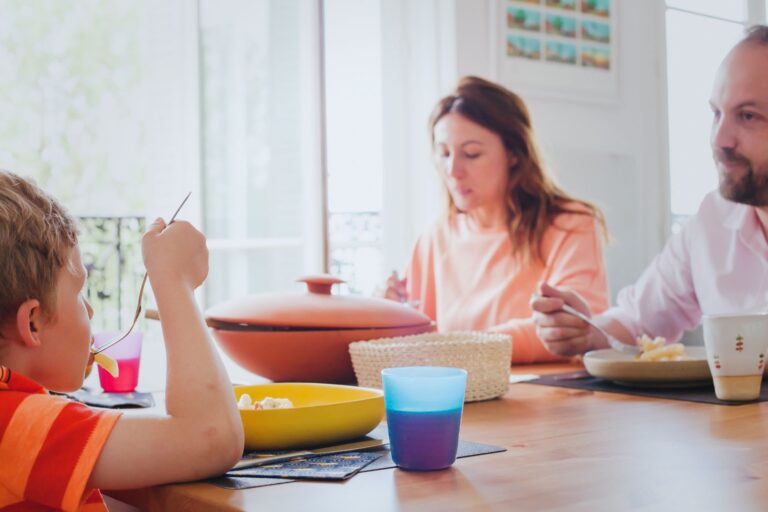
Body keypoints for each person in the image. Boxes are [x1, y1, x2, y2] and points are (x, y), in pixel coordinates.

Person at [0, 171, 243, 510]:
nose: (89, 310)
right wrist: (173, 280)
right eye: (79, 292)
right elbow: (211, 437)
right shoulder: (20, 425)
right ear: (32, 322)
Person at [531, 25, 768, 356]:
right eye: (716, 113)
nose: (719, 139)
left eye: (747, 116)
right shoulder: (712, 221)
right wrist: (585, 332)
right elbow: (637, 322)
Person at [384, 76, 609, 363]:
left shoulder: (570, 223)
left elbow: (573, 328)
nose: (453, 170)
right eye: (443, 153)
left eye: (471, 154)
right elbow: (417, 338)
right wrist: (388, 312)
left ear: (513, 154)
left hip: (552, 399)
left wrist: (461, 348)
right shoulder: (436, 236)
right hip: (468, 397)